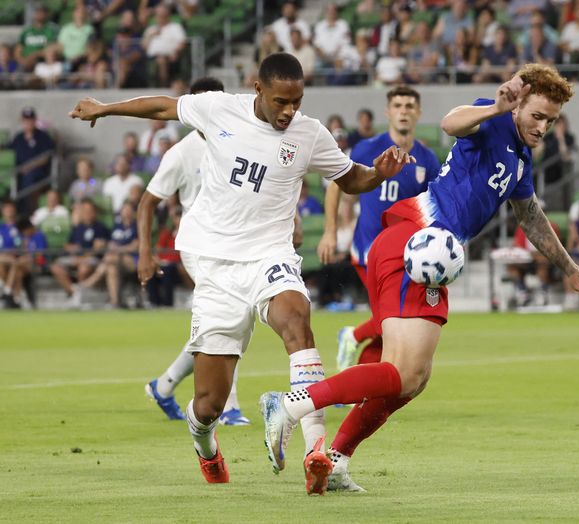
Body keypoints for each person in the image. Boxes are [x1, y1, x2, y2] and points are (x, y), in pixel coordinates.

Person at [259, 64, 579, 494]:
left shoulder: (521, 159)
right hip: (417, 240)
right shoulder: (493, 119)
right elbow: (450, 123)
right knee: (403, 372)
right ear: (518, 104)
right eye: (537, 115)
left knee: (414, 379)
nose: (543, 126)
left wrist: (571, 271)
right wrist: (496, 106)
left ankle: (336, 459)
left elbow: (531, 216)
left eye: (550, 120)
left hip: (428, 255)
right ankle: (293, 404)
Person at [70, 52, 415, 485]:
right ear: (258, 90)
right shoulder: (219, 108)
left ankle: (316, 451)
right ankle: (205, 445)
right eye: (280, 101)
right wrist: (106, 108)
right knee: (209, 403)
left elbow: (350, 179)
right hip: (215, 264)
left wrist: (377, 173)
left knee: (297, 321)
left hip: (270, 254)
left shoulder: (309, 133)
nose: (290, 111)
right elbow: (162, 106)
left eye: (297, 101)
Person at [135, 77, 252, 425]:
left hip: (233, 241)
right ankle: (228, 407)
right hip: (197, 244)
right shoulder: (181, 154)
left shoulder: (238, 140)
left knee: (231, 321)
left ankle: (165, 385)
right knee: (228, 317)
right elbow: (147, 202)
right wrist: (145, 250)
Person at [320, 86, 441, 373]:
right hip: (369, 250)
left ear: (418, 113)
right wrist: (329, 230)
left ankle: (357, 362)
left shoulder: (428, 159)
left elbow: (434, 207)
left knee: (392, 323)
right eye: (397, 105)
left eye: (410, 106)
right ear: (388, 112)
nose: (403, 111)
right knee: (390, 318)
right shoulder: (367, 149)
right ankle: (354, 345)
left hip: (406, 256)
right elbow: (337, 186)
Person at [49, 198, 110, 306]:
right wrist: (72, 248)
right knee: (55, 267)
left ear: (94, 212)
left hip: (91, 259)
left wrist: (83, 258)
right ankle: (75, 294)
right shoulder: (77, 228)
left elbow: (97, 250)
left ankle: (80, 298)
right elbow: (67, 245)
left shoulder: (101, 228)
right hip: (75, 258)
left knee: (83, 268)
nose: (87, 213)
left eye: (89, 210)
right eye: (84, 210)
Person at [10, 108, 55, 215]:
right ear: (22, 121)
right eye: (26, 120)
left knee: (30, 180)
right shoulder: (18, 137)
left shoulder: (43, 136)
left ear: (35, 120)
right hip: (18, 173)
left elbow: (46, 157)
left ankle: (27, 213)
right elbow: (9, 151)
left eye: (31, 120)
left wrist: (29, 166)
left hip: (39, 174)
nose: (28, 123)